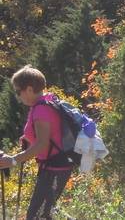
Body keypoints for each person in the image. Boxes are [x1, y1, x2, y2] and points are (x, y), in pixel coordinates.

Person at [0, 65, 72, 220]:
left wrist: (12, 161)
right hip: (55, 166)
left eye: (19, 91)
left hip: (54, 169)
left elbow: (42, 144)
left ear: (30, 89)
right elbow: (48, 134)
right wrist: (28, 138)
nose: (18, 96)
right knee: (42, 214)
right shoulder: (47, 101)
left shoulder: (41, 110)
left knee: (37, 216)